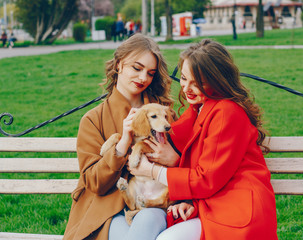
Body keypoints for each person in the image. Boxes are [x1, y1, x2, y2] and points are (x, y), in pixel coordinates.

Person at [131, 39, 278, 239]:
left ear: (217, 80)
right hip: (209, 202)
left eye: (198, 83)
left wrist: (154, 171)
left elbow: (206, 178)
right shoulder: (197, 109)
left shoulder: (226, 112)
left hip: (235, 208)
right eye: (183, 78)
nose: (187, 88)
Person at [63, 33, 174, 240]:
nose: (143, 78)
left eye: (150, 73)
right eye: (136, 68)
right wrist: (122, 145)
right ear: (119, 64)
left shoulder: (163, 113)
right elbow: (94, 182)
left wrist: (172, 158)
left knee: (148, 219)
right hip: (107, 210)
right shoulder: (93, 119)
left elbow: (184, 162)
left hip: (154, 204)